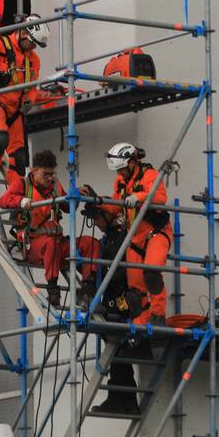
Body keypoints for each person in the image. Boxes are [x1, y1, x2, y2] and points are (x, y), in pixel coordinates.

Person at [81, 142, 173, 415]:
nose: (120, 174)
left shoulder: (149, 176)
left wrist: (140, 197)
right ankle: (143, 323)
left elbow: (160, 198)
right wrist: (97, 202)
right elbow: (115, 210)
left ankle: (157, 315)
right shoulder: (121, 182)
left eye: (123, 168)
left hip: (154, 233)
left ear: (132, 161)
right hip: (134, 239)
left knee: (152, 271)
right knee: (135, 291)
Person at [0, 150, 99, 309]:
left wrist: (74, 194)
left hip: (58, 243)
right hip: (34, 245)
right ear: (34, 170)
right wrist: (21, 200)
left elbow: (66, 207)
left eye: (52, 174)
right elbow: (3, 201)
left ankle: (87, 288)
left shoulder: (55, 185)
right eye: (46, 174)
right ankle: (53, 290)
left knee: (90, 243)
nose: (50, 178)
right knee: (50, 244)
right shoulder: (23, 184)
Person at [0, 18, 49, 201]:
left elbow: (32, 86)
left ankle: (14, 199)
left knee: (19, 157)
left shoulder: (33, 60)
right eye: (32, 43)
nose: (33, 48)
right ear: (23, 33)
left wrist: (30, 100)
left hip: (15, 109)